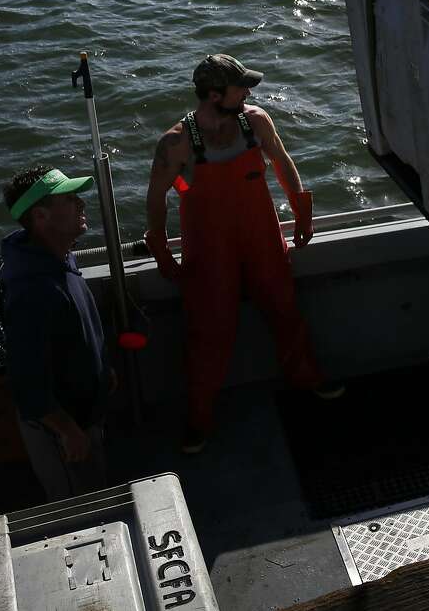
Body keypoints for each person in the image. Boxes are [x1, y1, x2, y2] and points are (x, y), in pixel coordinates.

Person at [144, 53, 343, 454]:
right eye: (241, 86)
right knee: (210, 331)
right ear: (215, 94)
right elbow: (155, 198)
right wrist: (161, 249)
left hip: (262, 236)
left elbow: (283, 163)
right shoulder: (176, 142)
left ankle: (307, 378)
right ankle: (199, 417)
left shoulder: (255, 120)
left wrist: (302, 212)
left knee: (284, 308)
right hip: (208, 248)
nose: (250, 91)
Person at [0, 166, 116, 501]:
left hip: (84, 410)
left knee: (98, 485)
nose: (81, 204)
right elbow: (27, 383)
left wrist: (103, 367)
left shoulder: (60, 256)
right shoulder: (32, 290)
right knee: (81, 504)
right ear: (40, 215)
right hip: (62, 429)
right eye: (69, 199)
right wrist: (68, 431)